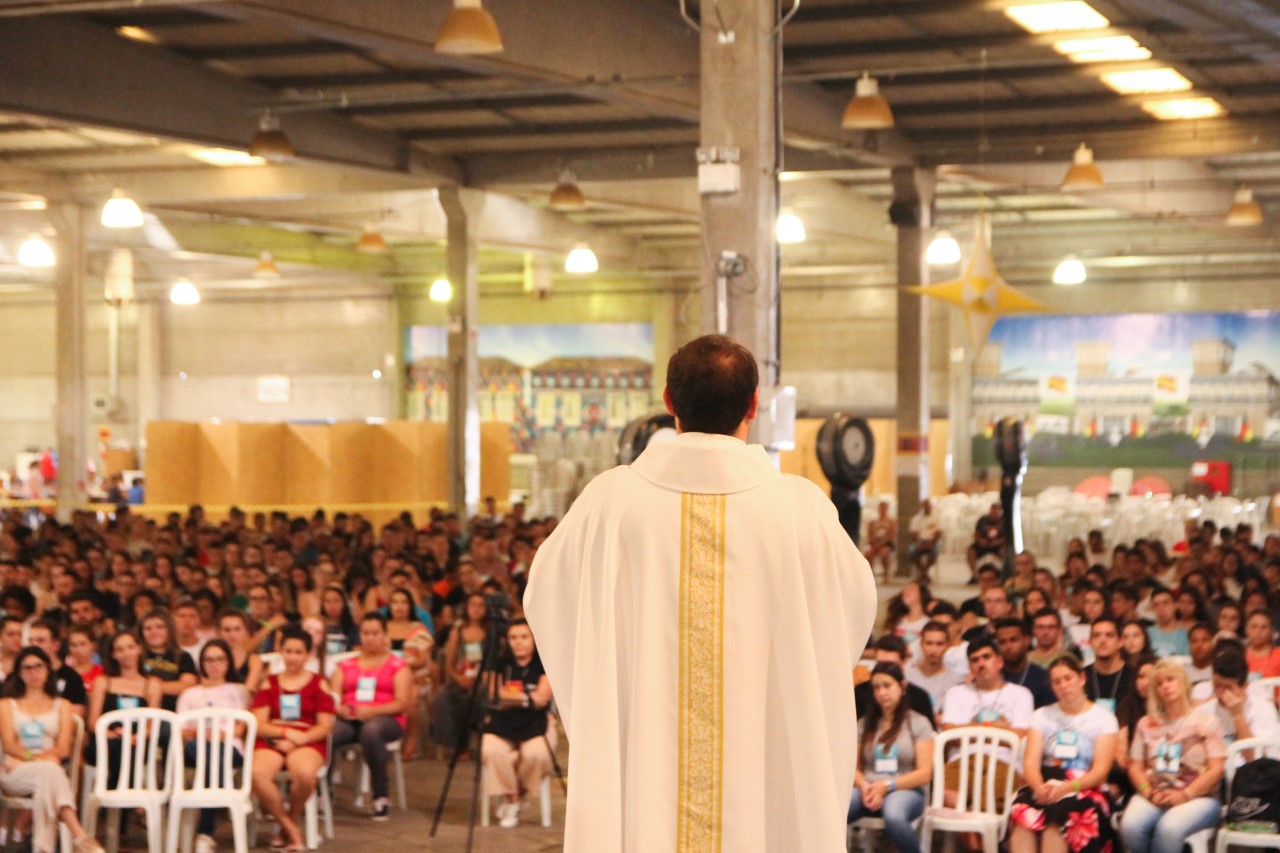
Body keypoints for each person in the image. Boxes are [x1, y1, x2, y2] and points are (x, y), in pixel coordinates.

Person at [525, 334, 877, 853]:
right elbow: (852, 610)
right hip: (761, 757)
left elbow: (547, 599)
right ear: (754, 405)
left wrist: (612, 683)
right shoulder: (801, 510)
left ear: (668, 403)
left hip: (644, 758)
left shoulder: (610, 502)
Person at [1009, 655, 1118, 853]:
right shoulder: (1041, 715)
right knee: (1023, 810)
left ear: (1082, 678)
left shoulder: (1104, 718)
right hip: (1046, 780)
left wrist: (1067, 788)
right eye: (1057, 682)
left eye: (1068, 678)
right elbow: (1031, 763)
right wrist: (1038, 787)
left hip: (1085, 783)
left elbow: (1100, 771)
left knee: (1059, 816)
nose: (1063, 685)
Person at [0, 648, 104, 853]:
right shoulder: (5, 704)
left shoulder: (62, 705)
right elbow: (10, 745)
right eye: (27, 668)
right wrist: (35, 758)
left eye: (38, 666)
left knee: (46, 781)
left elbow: (64, 748)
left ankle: (43, 848)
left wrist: (40, 761)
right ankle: (80, 837)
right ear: (19, 673)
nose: (33, 672)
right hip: (13, 769)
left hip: (46, 768)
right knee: (50, 770)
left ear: (48, 670)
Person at [1120, 660, 1225, 853]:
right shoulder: (1146, 724)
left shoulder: (1206, 721)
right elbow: (1135, 767)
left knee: (1169, 828)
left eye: (1170, 680)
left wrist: (1186, 794)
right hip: (1155, 792)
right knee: (1130, 826)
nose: (1165, 686)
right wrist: (1148, 792)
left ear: (1183, 682)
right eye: (1159, 683)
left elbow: (1217, 769)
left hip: (1199, 796)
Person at [251, 626, 335, 852]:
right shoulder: (270, 682)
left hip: (308, 739)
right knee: (257, 775)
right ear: (280, 652)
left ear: (308, 655)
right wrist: (285, 734)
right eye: (288, 651)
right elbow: (258, 722)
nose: (292, 657)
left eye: (298, 652)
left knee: (306, 775)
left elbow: (325, 725)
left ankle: (290, 819)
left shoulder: (319, 683)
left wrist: (300, 738)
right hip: (274, 737)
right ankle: (289, 827)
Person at [330, 613, 411, 820]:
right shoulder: (346, 665)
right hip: (351, 717)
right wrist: (340, 709)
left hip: (387, 718)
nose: (370, 638)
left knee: (371, 731)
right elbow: (333, 696)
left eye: (375, 633)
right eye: (366, 633)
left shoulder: (397, 666)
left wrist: (372, 711)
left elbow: (403, 702)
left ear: (385, 635)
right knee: (328, 732)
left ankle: (380, 796)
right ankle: (324, 791)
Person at [939, 637, 1034, 814]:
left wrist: (970, 728)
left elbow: (1019, 736)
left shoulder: (1020, 694)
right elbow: (949, 735)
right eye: (975, 660)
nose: (981, 664)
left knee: (987, 806)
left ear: (999, 661)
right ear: (969, 667)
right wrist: (998, 728)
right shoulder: (956, 693)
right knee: (952, 803)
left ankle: (980, 840)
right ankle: (976, 841)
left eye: (986, 657)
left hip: (1003, 760)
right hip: (962, 759)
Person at [846, 663, 934, 853]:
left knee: (894, 814)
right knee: (836, 810)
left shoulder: (919, 723)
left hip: (905, 789)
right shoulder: (865, 724)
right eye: (876, 687)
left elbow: (925, 773)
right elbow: (853, 768)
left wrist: (886, 786)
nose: (881, 692)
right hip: (868, 788)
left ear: (902, 686)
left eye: (887, 686)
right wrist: (864, 785)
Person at [176, 640, 251, 853]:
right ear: (201, 663)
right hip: (196, 746)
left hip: (229, 747)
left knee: (214, 756)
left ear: (228, 662)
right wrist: (203, 733)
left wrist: (218, 735)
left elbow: (241, 729)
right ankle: (229, 793)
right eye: (209, 659)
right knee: (205, 750)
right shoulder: (190, 694)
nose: (214, 664)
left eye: (220, 659)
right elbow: (181, 729)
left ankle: (205, 833)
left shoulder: (239, 691)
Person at [481, 619, 555, 829]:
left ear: (533, 638)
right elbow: (494, 694)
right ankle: (513, 799)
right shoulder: (500, 663)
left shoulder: (544, 664)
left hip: (536, 723)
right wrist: (526, 699)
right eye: (514, 637)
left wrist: (512, 696)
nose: (519, 642)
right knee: (491, 749)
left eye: (524, 637)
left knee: (537, 754)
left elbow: (542, 696)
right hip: (502, 722)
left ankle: (518, 795)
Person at [1191, 648, 1279, 760]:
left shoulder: (1263, 708)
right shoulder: (1203, 711)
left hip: (1252, 772)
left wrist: (1238, 715)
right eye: (1217, 685)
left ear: (1244, 686)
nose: (1220, 693)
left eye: (1228, 687)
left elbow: (1256, 759)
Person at [434, 592, 489, 753]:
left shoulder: (491, 631)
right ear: (466, 607)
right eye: (473, 605)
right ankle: (455, 745)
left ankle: (483, 739)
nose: (476, 609)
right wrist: (459, 678)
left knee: (481, 694)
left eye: (481, 605)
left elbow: (495, 663)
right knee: (443, 696)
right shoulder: (457, 631)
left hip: (484, 679)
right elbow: (449, 664)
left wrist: (482, 678)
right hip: (460, 676)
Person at [994, 617, 1055, 708]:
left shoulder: (1043, 678)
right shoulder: (991, 677)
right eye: (1002, 642)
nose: (1008, 647)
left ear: (1027, 640)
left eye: (1014, 640)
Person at [906, 621, 964, 714]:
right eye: (929, 643)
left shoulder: (956, 681)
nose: (933, 650)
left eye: (939, 644)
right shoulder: (907, 676)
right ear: (921, 644)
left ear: (947, 645)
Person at [1083, 617, 1132, 716]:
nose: (1102, 640)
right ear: (1090, 642)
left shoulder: (1133, 675)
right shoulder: (1081, 677)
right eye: (1097, 636)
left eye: (1109, 635)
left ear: (1120, 641)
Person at [1145, 590, 1189, 658]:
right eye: (1156, 604)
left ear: (1176, 605)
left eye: (1166, 603)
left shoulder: (1186, 636)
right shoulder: (1145, 634)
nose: (1161, 608)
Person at [907, 498, 942, 582]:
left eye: (928, 506)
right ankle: (924, 573)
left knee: (934, 553)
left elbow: (938, 532)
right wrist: (919, 542)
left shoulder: (936, 518)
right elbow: (913, 533)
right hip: (919, 541)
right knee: (911, 552)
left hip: (932, 542)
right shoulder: (916, 519)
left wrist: (931, 542)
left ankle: (923, 573)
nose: (926, 508)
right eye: (924, 506)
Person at [864, 500, 897, 582]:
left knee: (884, 553)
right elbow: (870, 534)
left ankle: (886, 575)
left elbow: (892, 535)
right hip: (874, 544)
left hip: (886, 544)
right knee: (868, 553)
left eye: (884, 508)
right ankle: (869, 575)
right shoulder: (873, 522)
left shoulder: (891, 522)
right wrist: (874, 542)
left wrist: (882, 542)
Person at [1244, 608, 1280, 679]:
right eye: (1254, 626)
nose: (1258, 631)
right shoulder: (1238, 654)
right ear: (1246, 629)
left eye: (1264, 627)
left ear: (1271, 631)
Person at [66, 627, 103, 695]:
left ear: (93, 645)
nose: (78, 649)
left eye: (83, 644)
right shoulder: (64, 673)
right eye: (73, 645)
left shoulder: (103, 673)